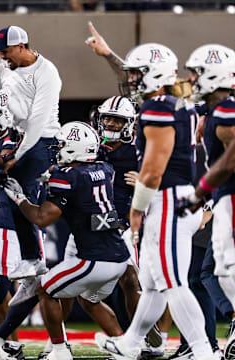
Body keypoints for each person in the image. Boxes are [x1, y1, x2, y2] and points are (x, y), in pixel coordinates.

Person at [95, 43, 216, 360]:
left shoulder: (159, 107)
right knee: (151, 282)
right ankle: (131, 341)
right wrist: (109, 54)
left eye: (137, 74)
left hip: (167, 200)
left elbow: (152, 169)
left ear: (155, 74)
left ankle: (204, 350)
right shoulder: (182, 103)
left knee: (173, 283)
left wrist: (136, 209)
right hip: (180, 198)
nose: (132, 81)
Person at [0, 121, 130, 360]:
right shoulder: (105, 169)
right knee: (88, 299)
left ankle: (59, 350)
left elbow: (42, 218)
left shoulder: (67, 178)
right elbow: (83, 186)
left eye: (61, 145)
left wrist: (19, 199)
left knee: (46, 289)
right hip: (119, 257)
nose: (57, 149)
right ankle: (124, 346)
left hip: (94, 260)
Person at [0, 25, 62, 280]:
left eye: (6, 51)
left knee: (21, 191)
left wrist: (18, 153)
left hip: (43, 138)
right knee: (6, 185)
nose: (2, 56)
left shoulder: (46, 72)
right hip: (16, 136)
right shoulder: (1, 65)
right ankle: (32, 260)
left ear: (21, 46)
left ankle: (35, 259)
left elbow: (38, 120)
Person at [179, 44, 235, 360]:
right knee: (216, 270)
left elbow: (230, 161)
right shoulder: (212, 110)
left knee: (220, 269)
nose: (191, 78)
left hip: (228, 196)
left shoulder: (226, 109)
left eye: (197, 72)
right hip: (223, 196)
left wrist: (200, 195)